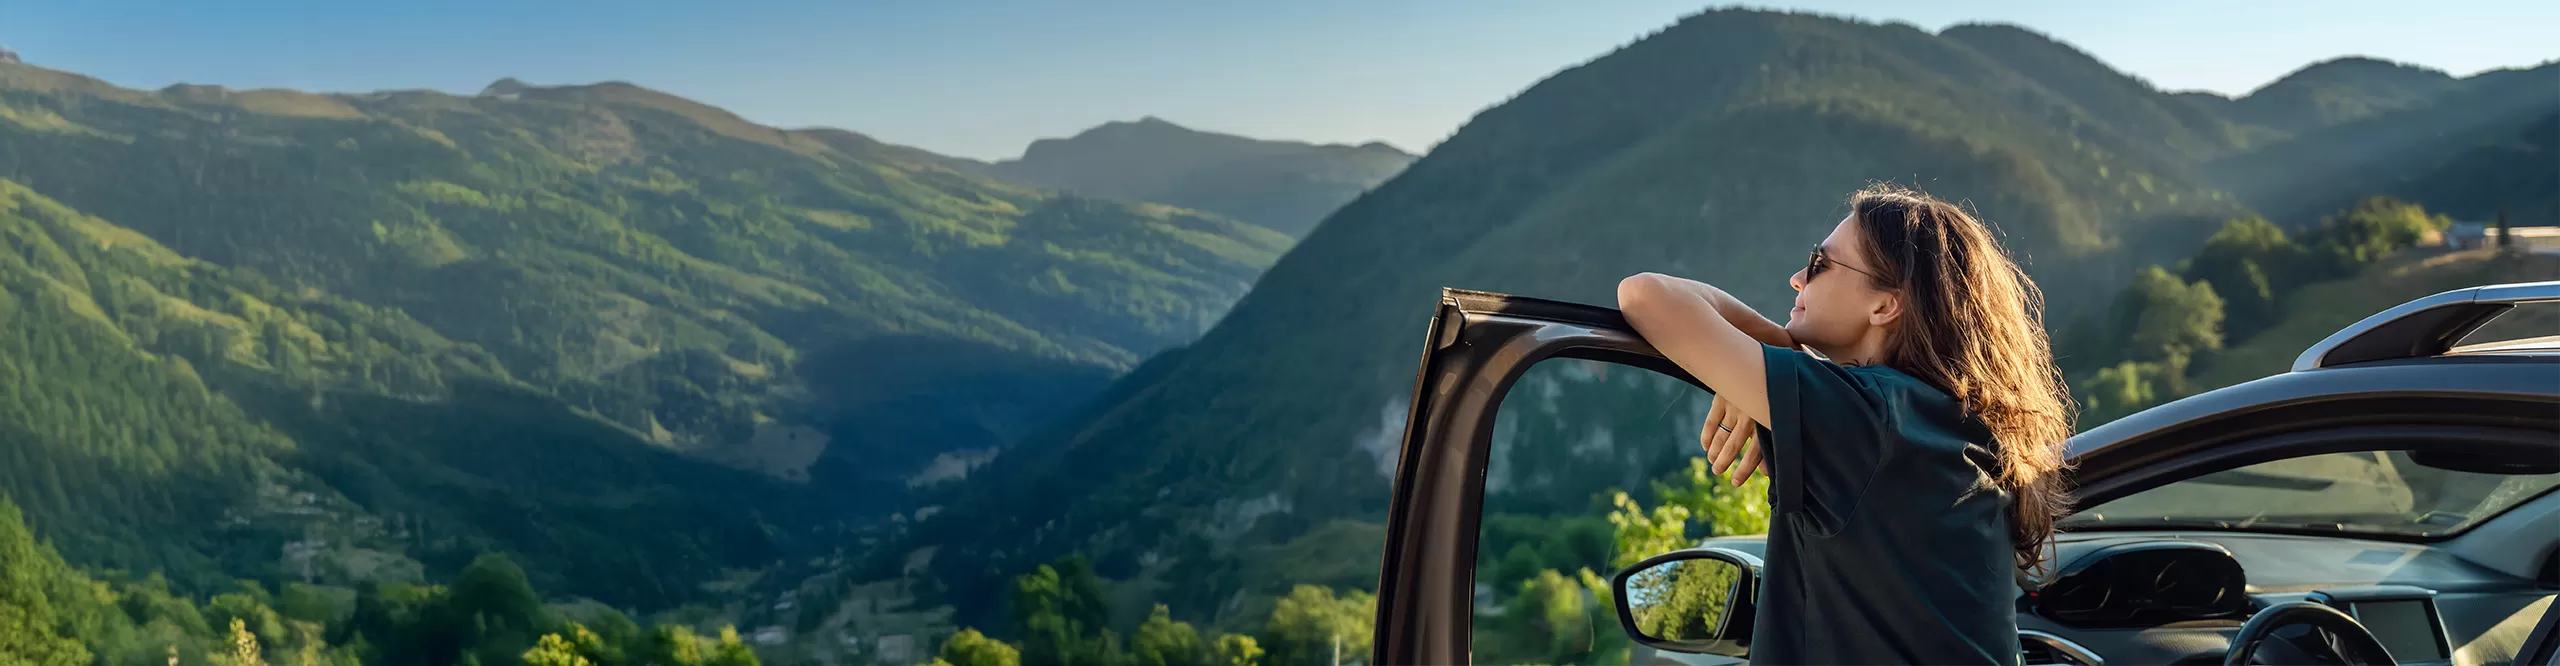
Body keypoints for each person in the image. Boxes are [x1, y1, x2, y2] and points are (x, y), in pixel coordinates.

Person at [1615, 183, 2075, 665]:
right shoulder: (1947, 424)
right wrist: (1775, 362)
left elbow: (1646, 296)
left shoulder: (1871, 418)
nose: (1797, 278)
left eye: (1819, 264)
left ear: (1884, 305)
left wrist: (1776, 349)